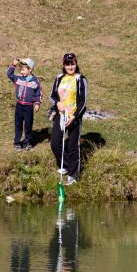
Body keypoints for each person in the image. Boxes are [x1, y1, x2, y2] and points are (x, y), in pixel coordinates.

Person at [49, 53, 87, 185]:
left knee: (72, 146)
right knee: (55, 143)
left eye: (72, 63)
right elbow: (53, 96)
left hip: (74, 117)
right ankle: (66, 165)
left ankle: (73, 175)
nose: (70, 66)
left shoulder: (80, 79)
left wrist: (75, 116)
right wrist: (57, 104)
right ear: (63, 65)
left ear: (76, 64)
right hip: (61, 115)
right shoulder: (59, 78)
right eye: (67, 64)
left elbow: (83, 101)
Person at [7, 58, 42, 151]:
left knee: (28, 125)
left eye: (23, 69)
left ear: (30, 69)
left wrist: (37, 103)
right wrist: (13, 65)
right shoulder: (18, 78)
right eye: (21, 69)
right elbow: (9, 74)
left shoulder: (35, 81)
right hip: (19, 106)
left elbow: (39, 93)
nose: (21, 71)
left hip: (28, 107)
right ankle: (17, 143)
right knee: (18, 124)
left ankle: (27, 143)